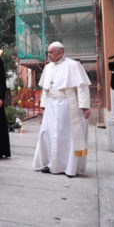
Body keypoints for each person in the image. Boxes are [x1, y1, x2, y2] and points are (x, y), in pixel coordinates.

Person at [32, 41, 91, 177]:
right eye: (48, 52)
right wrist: (43, 106)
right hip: (51, 105)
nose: (49, 55)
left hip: (66, 105)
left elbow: (82, 87)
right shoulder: (48, 68)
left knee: (64, 136)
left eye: (51, 52)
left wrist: (85, 107)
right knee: (47, 134)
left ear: (60, 52)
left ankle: (68, 167)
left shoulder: (73, 65)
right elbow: (45, 90)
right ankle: (49, 164)